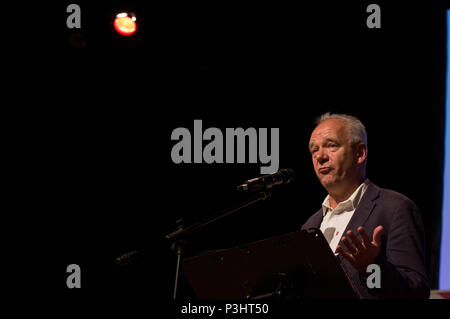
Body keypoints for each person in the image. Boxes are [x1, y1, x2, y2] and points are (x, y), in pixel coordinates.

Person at [301, 112, 430, 298]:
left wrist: (371, 268)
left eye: (331, 146)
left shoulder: (395, 209)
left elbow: (415, 292)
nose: (320, 156)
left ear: (360, 153)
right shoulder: (309, 227)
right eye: (314, 150)